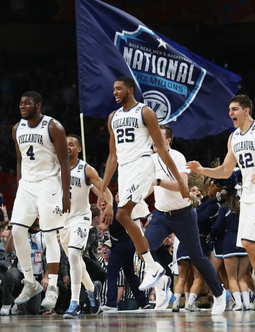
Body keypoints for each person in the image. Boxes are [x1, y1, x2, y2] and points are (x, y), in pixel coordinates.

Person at [188, 94, 255, 316]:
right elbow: (226, 170)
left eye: (235, 109)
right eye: (229, 109)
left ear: (246, 111)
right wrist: (203, 170)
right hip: (247, 196)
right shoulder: (233, 137)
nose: (231, 113)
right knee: (251, 249)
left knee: (248, 241)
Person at [99, 76, 189, 293]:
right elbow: (112, 156)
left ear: (130, 90)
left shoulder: (145, 112)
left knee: (122, 215)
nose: (115, 92)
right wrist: (103, 188)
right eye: (113, 89)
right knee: (132, 223)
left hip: (142, 164)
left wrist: (180, 181)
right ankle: (160, 281)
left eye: (119, 89)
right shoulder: (113, 116)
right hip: (125, 169)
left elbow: (160, 148)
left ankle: (151, 266)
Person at [139, 124, 227, 314]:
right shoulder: (151, 159)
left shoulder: (178, 157)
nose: (153, 140)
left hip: (183, 215)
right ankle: (162, 281)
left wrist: (159, 182)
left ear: (168, 141)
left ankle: (220, 295)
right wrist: (136, 200)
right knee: (143, 248)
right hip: (161, 214)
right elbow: (148, 187)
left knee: (198, 257)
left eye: (158, 137)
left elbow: (182, 186)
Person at [10, 91, 71, 312]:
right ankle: (30, 282)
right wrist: (20, 186)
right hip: (27, 184)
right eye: (20, 103)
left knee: (49, 233)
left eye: (27, 103)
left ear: (38, 104)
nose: (22, 106)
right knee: (17, 230)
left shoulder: (53, 127)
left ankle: (52, 287)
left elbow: (64, 162)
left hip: (49, 184)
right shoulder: (17, 128)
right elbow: (20, 159)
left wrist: (66, 194)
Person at [61, 134, 110, 318]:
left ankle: (74, 304)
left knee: (74, 254)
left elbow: (103, 190)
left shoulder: (86, 169)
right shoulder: (56, 168)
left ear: (78, 149)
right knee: (76, 261)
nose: (67, 147)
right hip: (63, 221)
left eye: (72, 144)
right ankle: (92, 290)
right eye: (65, 144)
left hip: (81, 219)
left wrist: (109, 203)